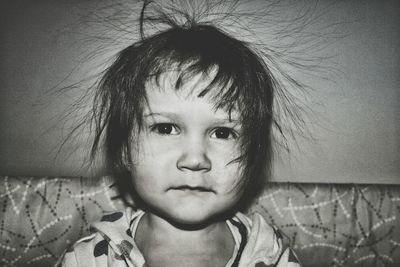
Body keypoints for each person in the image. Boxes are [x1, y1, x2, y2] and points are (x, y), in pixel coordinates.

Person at [57, 1, 302, 266]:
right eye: (165, 128)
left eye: (222, 132)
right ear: (125, 148)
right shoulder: (89, 259)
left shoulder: (271, 255)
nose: (195, 159)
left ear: (253, 154)